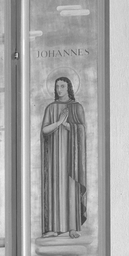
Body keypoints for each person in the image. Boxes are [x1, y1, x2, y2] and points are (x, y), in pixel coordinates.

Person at [41, 75, 87, 237]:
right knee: (54, 188)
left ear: (69, 88)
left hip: (71, 156)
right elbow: (44, 130)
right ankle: (53, 228)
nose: (59, 89)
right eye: (57, 86)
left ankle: (72, 227)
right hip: (54, 156)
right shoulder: (50, 108)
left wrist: (68, 125)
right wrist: (59, 122)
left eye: (62, 86)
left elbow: (82, 130)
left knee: (71, 188)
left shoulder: (77, 107)